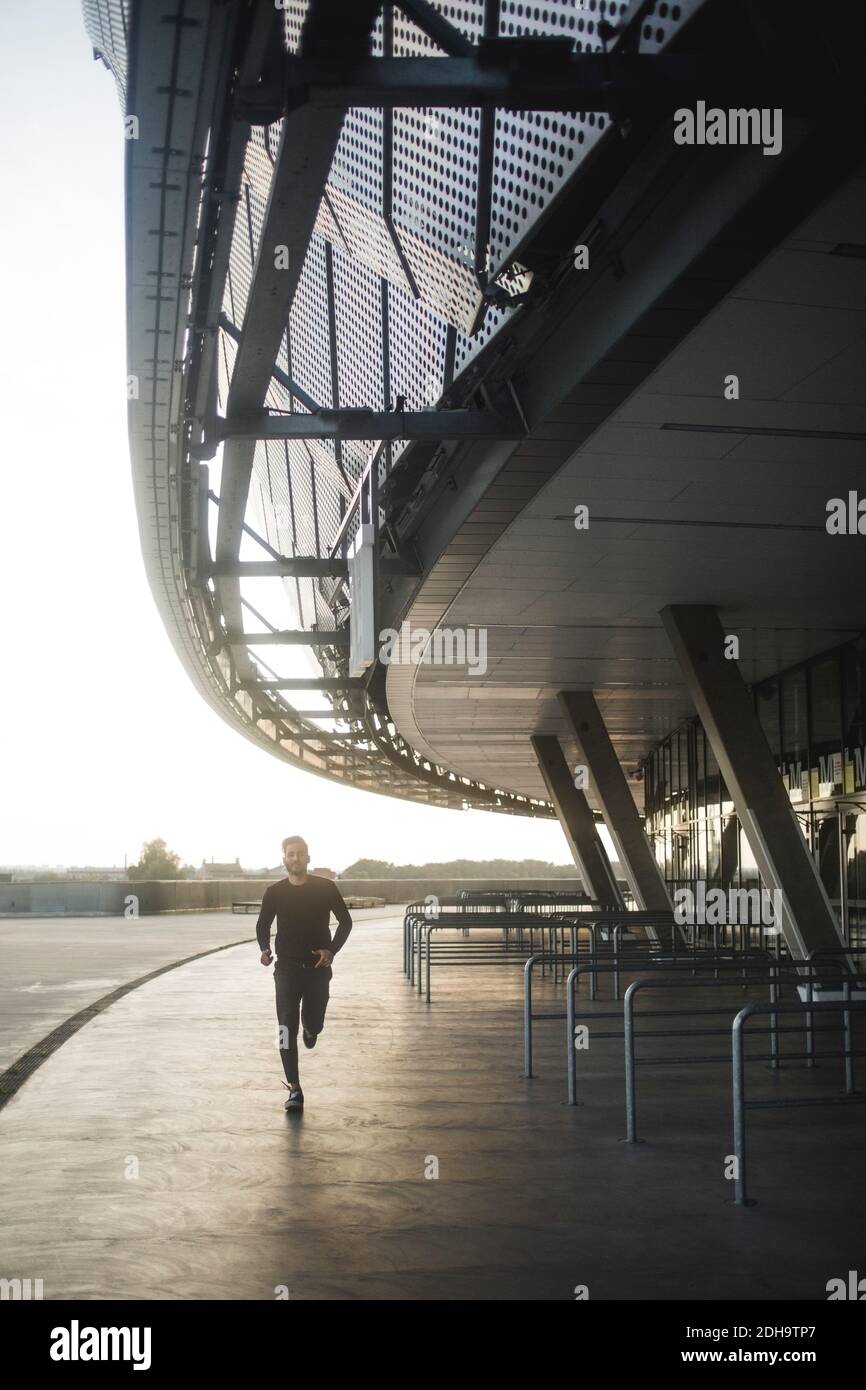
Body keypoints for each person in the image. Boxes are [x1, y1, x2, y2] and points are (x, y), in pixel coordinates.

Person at [256, 836, 353, 1110]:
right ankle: (295, 1090)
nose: (295, 859)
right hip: (285, 969)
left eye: (300, 854)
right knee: (286, 1027)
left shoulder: (326, 888)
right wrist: (264, 949)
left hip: (317, 969)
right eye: (290, 854)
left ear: (308, 858)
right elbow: (263, 924)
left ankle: (312, 1029)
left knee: (314, 1021)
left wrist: (331, 950)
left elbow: (345, 922)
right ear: (283, 858)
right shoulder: (274, 892)